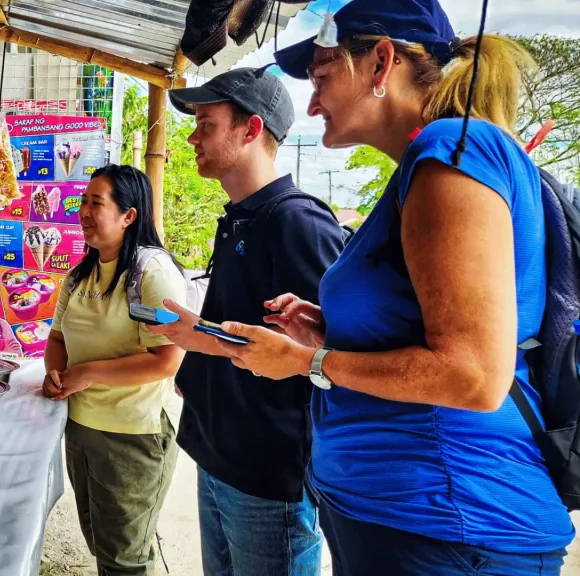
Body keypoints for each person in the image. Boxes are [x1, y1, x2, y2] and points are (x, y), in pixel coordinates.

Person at [206, 0, 575, 573]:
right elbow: (424, 327)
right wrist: (330, 330)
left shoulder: (454, 152)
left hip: (447, 523)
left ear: (381, 62)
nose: (310, 102)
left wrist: (311, 363)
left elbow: (472, 374)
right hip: (403, 515)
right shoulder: (423, 165)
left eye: (323, 76)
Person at [149, 67, 345, 576]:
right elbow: (246, 326)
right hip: (218, 457)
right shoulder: (239, 217)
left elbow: (327, 358)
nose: (191, 137)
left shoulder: (297, 221)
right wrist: (197, 338)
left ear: (251, 129)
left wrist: (201, 340)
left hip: (267, 475)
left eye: (206, 124)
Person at [42, 164, 186, 576]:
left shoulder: (150, 272)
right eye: (83, 202)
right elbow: (57, 340)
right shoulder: (79, 275)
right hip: (82, 427)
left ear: (129, 215)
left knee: (126, 558)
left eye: (96, 203)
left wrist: (86, 374)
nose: (84, 211)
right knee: (104, 545)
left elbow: (167, 359)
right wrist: (57, 373)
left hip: (132, 435)